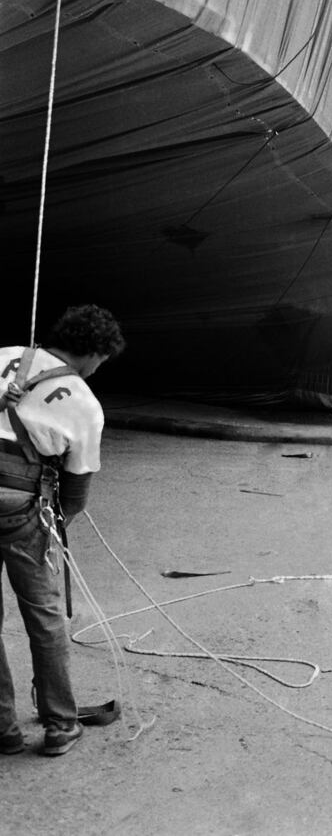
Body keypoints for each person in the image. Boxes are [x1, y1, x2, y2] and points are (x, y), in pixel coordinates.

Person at [0, 304, 125, 756]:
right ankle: (59, 725)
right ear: (93, 354)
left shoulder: (4, 355)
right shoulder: (84, 401)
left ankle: (1, 729)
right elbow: (76, 491)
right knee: (44, 615)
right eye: (100, 364)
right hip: (20, 505)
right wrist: (55, 524)